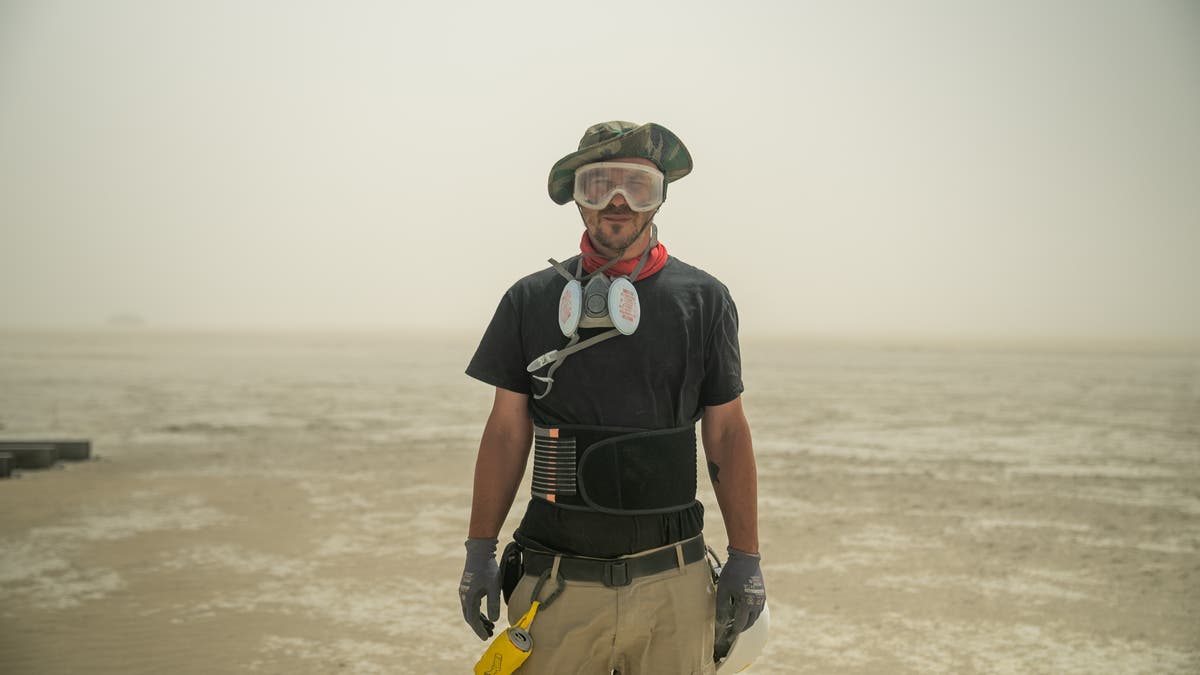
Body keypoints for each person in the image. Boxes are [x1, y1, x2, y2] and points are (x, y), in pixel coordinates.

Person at [459, 121, 766, 675]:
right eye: (598, 186)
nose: (617, 203)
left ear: (660, 198)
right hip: (554, 588)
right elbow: (507, 430)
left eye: (637, 187)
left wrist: (746, 557)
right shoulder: (529, 300)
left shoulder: (705, 300)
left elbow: (725, 431)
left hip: (675, 586)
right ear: (576, 199)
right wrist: (479, 549)